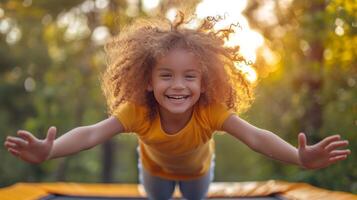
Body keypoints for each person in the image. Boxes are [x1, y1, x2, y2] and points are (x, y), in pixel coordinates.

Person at [4, 13, 351, 200]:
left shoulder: (210, 112)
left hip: (199, 175)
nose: (178, 86)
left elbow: (256, 137)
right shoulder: (137, 111)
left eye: (189, 77)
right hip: (154, 173)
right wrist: (50, 151)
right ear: (148, 81)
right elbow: (93, 133)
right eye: (166, 75)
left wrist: (299, 157)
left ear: (204, 83)